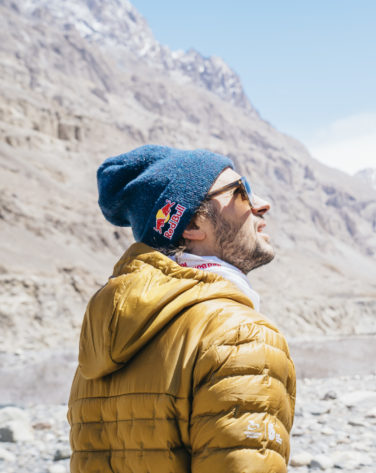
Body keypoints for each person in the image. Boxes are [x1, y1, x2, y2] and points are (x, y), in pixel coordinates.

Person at [67, 145, 296, 473]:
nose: (262, 204)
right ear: (191, 224)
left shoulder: (103, 343)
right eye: (240, 192)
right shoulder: (239, 335)